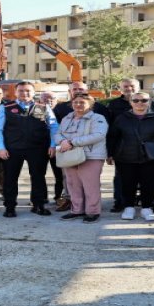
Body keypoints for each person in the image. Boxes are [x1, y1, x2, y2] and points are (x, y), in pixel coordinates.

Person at [107, 92, 154, 222]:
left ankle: (147, 207)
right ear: (131, 102)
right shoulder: (122, 118)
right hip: (125, 156)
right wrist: (110, 153)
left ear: (149, 101)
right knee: (128, 183)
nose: (140, 103)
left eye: (144, 100)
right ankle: (129, 207)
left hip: (152, 157)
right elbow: (113, 137)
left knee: (149, 183)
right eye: (136, 100)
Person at [0, 81, 59, 218]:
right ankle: (10, 207)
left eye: (28, 90)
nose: (25, 93)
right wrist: (0, 147)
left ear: (34, 93)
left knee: (38, 178)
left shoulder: (42, 107)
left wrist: (53, 145)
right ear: (16, 92)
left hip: (38, 149)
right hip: (12, 149)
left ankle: (38, 205)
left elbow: (54, 127)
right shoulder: (6, 107)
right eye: (21, 90)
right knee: (10, 178)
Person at [51, 81, 111, 211]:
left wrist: (72, 142)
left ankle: (92, 212)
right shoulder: (67, 118)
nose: (78, 105)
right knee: (73, 185)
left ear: (90, 105)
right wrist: (62, 142)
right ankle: (76, 210)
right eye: (75, 102)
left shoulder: (97, 118)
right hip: (69, 156)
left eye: (82, 103)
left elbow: (99, 135)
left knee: (91, 186)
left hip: (91, 156)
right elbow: (58, 133)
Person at [107, 78, 154, 213]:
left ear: (137, 87)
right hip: (124, 149)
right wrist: (110, 151)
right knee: (122, 178)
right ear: (121, 88)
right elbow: (111, 130)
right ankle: (121, 202)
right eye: (125, 86)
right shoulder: (114, 104)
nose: (129, 88)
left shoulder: (152, 102)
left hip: (150, 149)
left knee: (149, 179)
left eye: (132, 86)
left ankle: (149, 203)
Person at [38, 90, 65, 207]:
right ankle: (42, 197)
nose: (48, 101)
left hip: (59, 147)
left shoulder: (62, 111)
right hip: (40, 147)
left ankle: (59, 197)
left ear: (57, 100)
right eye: (45, 99)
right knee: (39, 174)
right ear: (40, 100)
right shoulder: (36, 111)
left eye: (52, 98)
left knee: (60, 174)